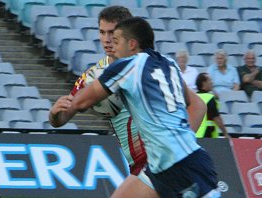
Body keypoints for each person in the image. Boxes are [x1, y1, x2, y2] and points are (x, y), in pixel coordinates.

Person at [71, 17, 220, 198]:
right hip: (163, 165)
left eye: (117, 41)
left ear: (132, 44)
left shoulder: (128, 66)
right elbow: (197, 105)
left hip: (182, 166)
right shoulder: (169, 63)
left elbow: (80, 102)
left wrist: (61, 107)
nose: (113, 46)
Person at [49, 6, 148, 176]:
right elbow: (61, 119)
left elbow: (195, 106)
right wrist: (55, 113)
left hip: (157, 162)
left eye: (112, 33)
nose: (107, 39)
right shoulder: (93, 77)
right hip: (138, 166)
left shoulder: (149, 66)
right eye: (102, 32)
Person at [195, 72, 229, 138]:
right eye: (210, 80)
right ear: (204, 83)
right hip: (206, 134)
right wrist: (225, 133)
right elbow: (217, 118)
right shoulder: (209, 98)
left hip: (194, 135)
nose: (212, 82)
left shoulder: (193, 97)